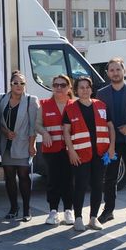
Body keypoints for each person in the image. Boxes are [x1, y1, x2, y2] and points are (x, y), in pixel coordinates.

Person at [63, 77, 115, 232]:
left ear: (92, 89)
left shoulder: (101, 106)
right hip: (80, 154)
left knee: (98, 185)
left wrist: (111, 147)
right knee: (79, 185)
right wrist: (71, 151)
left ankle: (93, 218)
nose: (84, 90)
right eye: (81, 87)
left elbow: (110, 127)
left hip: (100, 154)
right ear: (76, 90)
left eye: (87, 87)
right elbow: (66, 131)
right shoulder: (71, 108)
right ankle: (78, 218)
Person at [96, 58, 126, 225]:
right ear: (107, 73)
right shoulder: (101, 94)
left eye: (118, 69)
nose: (115, 73)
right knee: (109, 178)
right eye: (112, 70)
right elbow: (100, 119)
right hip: (111, 143)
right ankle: (108, 211)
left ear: (124, 71)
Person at [35, 75, 76, 225]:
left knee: (68, 180)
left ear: (69, 87)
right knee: (53, 180)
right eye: (56, 85)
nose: (59, 88)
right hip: (51, 150)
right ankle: (53, 211)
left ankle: (68, 210)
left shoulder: (74, 105)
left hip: (70, 150)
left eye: (63, 85)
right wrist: (44, 133)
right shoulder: (44, 104)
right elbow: (37, 124)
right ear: (52, 87)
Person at [0, 72, 39, 222]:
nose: (19, 86)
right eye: (16, 83)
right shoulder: (3, 99)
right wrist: (5, 131)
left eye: (22, 83)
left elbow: (33, 126)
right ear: (10, 84)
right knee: (9, 178)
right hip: (6, 146)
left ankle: (27, 210)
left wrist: (32, 145)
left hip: (23, 145)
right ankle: (13, 208)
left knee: (23, 177)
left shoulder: (30, 100)